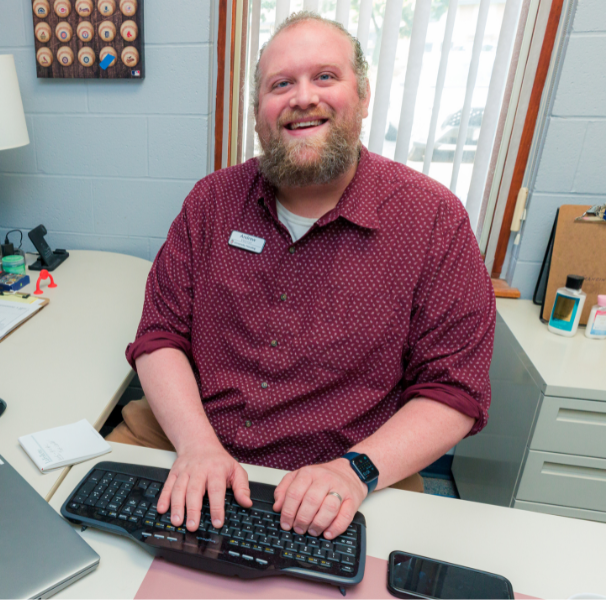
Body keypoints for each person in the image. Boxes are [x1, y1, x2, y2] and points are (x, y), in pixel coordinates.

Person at [108, 11, 496, 542]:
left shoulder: (433, 219)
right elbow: (160, 336)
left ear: (362, 98)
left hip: (350, 467)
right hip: (184, 435)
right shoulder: (212, 201)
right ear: (257, 113)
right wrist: (198, 445)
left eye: (325, 77)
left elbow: (453, 390)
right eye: (281, 84)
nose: (302, 97)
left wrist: (353, 471)